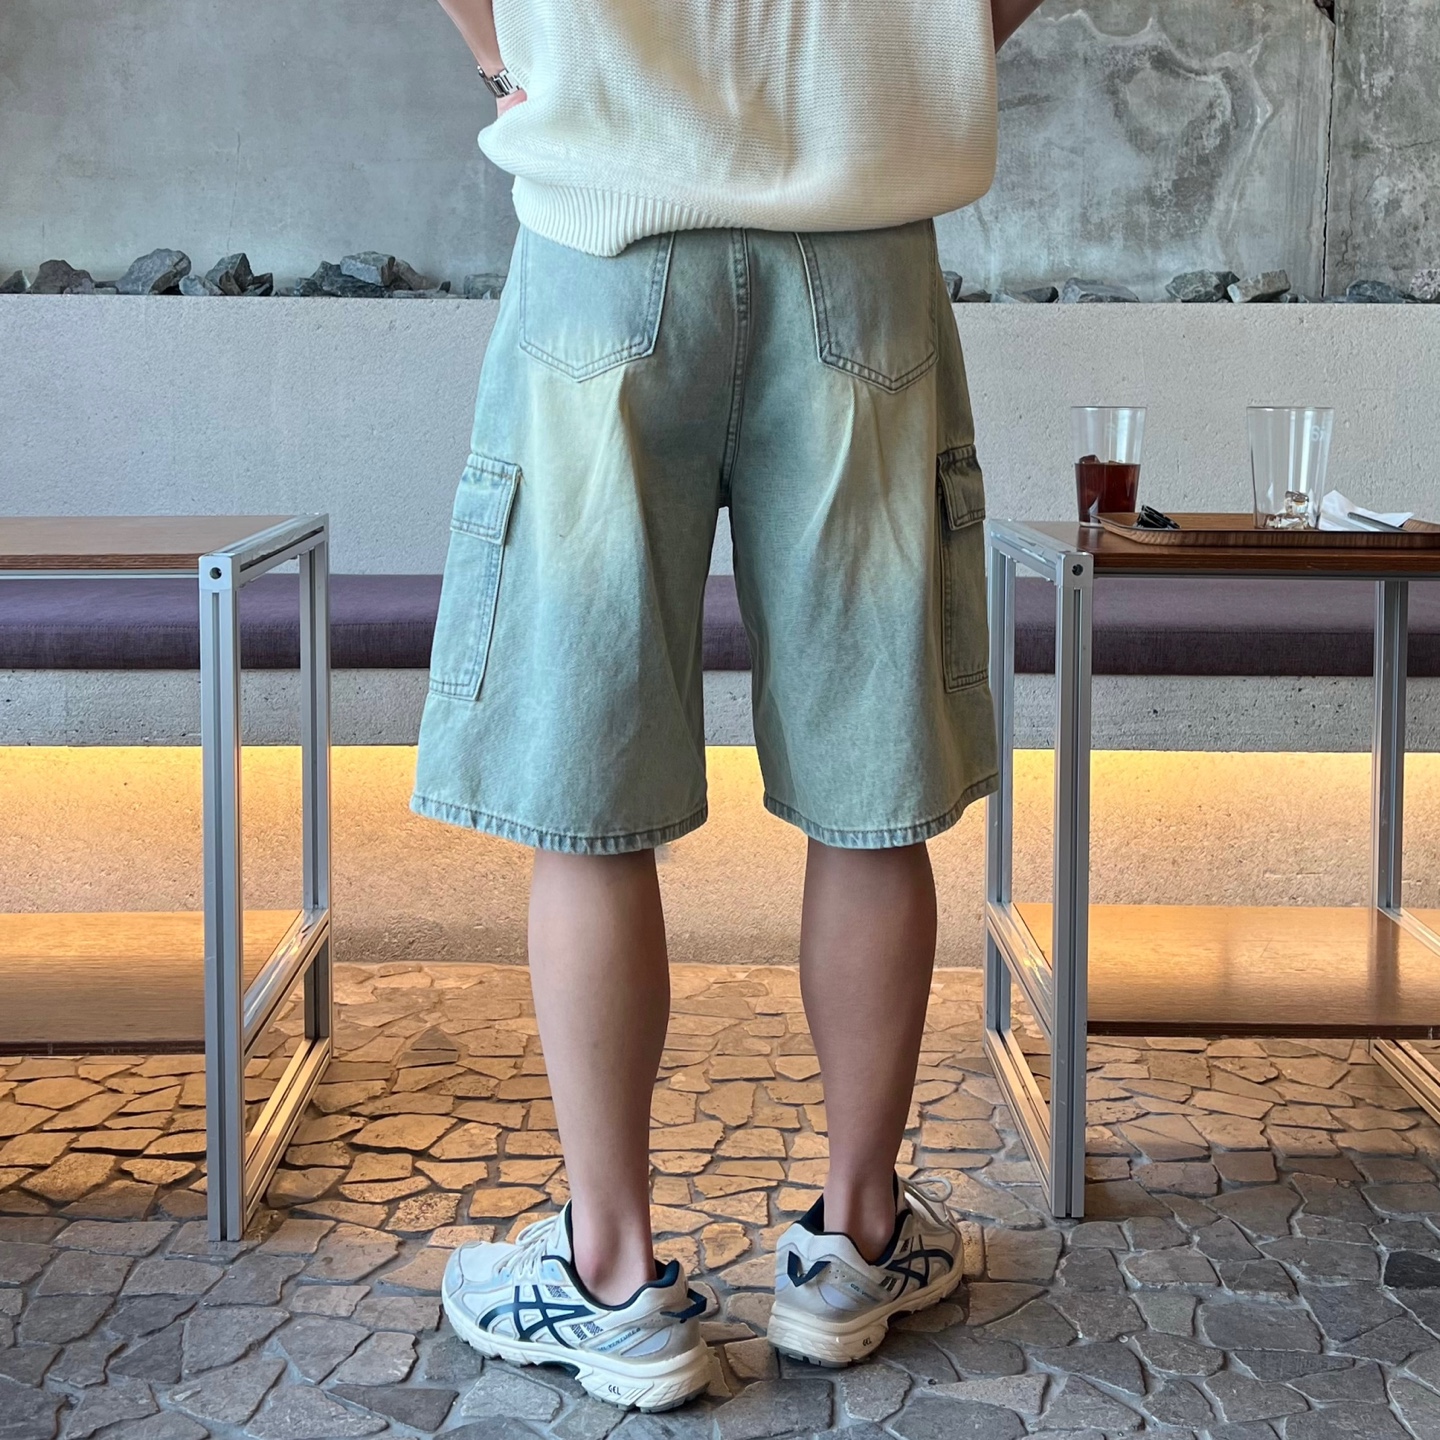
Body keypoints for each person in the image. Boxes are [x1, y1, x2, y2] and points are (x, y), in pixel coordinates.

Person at [414, 0, 1046, 1412]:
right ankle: (854, 1246)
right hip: (861, 233)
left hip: (607, 227)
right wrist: (923, 47)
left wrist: (506, 57)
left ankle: (612, 1279)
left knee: (588, 776)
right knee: (871, 769)